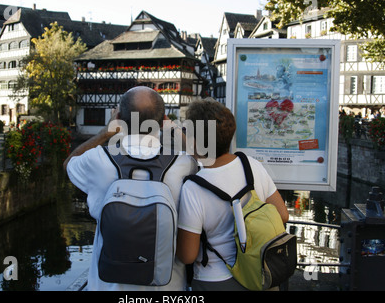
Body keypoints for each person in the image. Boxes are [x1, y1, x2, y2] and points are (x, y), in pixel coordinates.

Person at [64, 86, 197, 291]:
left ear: (118, 117)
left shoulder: (99, 159)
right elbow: (206, 161)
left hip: (107, 285)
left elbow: (69, 164)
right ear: (162, 122)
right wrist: (174, 129)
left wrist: (104, 134)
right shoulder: (182, 163)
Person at [176, 98, 289, 291]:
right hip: (260, 274)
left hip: (216, 280)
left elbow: (187, 255)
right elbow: (283, 215)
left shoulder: (193, 187)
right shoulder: (252, 166)